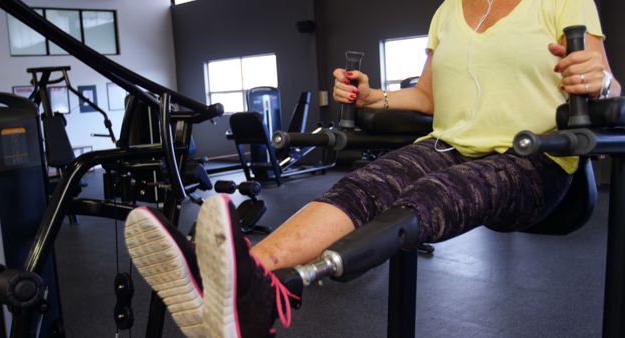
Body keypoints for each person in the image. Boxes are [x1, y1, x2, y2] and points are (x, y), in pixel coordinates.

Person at [124, 0, 621, 337]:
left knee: (430, 195)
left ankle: (271, 297)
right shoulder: (448, 11)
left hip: (530, 159)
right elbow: (427, 96)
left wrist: (597, 82)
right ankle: (242, 279)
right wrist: (372, 95)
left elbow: (608, 85)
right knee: (360, 187)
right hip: (448, 143)